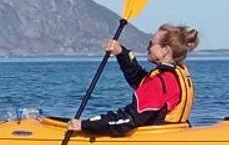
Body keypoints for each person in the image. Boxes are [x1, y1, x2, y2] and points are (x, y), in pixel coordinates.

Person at [67, 24, 199, 136]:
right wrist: (121, 53)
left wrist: (85, 125)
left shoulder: (161, 82)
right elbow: (139, 79)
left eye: (151, 44)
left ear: (165, 50)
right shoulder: (176, 73)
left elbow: (128, 120)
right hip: (174, 132)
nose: (148, 48)